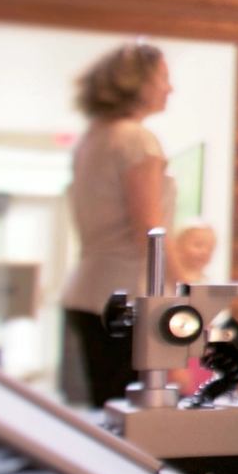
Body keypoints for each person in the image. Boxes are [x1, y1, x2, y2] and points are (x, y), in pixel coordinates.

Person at [60, 41, 173, 406]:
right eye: (163, 78)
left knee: (104, 409)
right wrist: (190, 285)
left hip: (87, 291)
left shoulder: (93, 139)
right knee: (135, 418)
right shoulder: (136, 140)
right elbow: (149, 233)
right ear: (136, 83)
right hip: (124, 296)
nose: (170, 88)